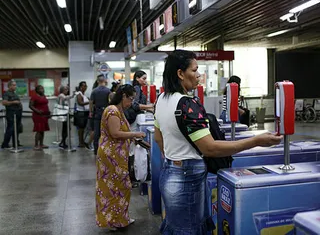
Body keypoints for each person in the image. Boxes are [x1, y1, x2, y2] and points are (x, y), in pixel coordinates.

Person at [154, 50, 282, 234]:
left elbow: (159, 139)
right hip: (187, 177)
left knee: (177, 226)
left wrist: (175, 159)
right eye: (195, 70)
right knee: (190, 229)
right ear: (180, 74)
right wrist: (256, 140)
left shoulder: (161, 100)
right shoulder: (187, 104)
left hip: (169, 173)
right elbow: (210, 148)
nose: (199, 75)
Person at [96, 84, 145, 231]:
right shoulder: (112, 111)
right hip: (111, 156)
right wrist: (134, 134)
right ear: (123, 96)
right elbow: (115, 133)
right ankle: (112, 221)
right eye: (130, 99)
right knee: (113, 187)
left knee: (122, 186)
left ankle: (121, 218)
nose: (131, 103)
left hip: (117, 154)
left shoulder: (119, 110)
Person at [90, 74, 111, 155]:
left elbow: (91, 103)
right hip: (106, 113)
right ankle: (106, 149)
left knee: (97, 132)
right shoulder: (108, 91)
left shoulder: (94, 91)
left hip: (97, 113)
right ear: (105, 81)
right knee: (106, 132)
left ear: (98, 81)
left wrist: (91, 112)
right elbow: (110, 102)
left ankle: (96, 150)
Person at [1, 80, 23, 149]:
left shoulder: (15, 93)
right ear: (9, 86)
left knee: (17, 129)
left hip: (18, 113)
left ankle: (15, 143)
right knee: (10, 129)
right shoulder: (6, 94)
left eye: (15, 85)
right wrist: (14, 102)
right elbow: (4, 103)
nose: (15, 86)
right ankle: (5, 144)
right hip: (11, 114)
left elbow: (18, 102)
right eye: (13, 85)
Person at [29, 85, 50, 151]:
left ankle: (41, 144)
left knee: (42, 130)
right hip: (38, 115)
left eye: (43, 89)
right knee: (38, 130)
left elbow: (45, 105)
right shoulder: (34, 97)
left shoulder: (43, 96)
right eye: (40, 89)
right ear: (37, 90)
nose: (42, 90)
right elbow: (30, 106)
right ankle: (36, 145)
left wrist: (48, 112)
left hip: (44, 115)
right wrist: (37, 111)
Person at [75, 81, 90, 148]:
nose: (85, 87)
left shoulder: (83, 94)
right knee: (81, 129)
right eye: (84, 86)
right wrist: (89, 102)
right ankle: (80, 142)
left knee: (83, 128)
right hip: (81, 113)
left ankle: (82, 141)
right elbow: (80, 103)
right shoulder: (79, 94)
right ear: (81, 87)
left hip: (84, 112)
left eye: (86, 86)